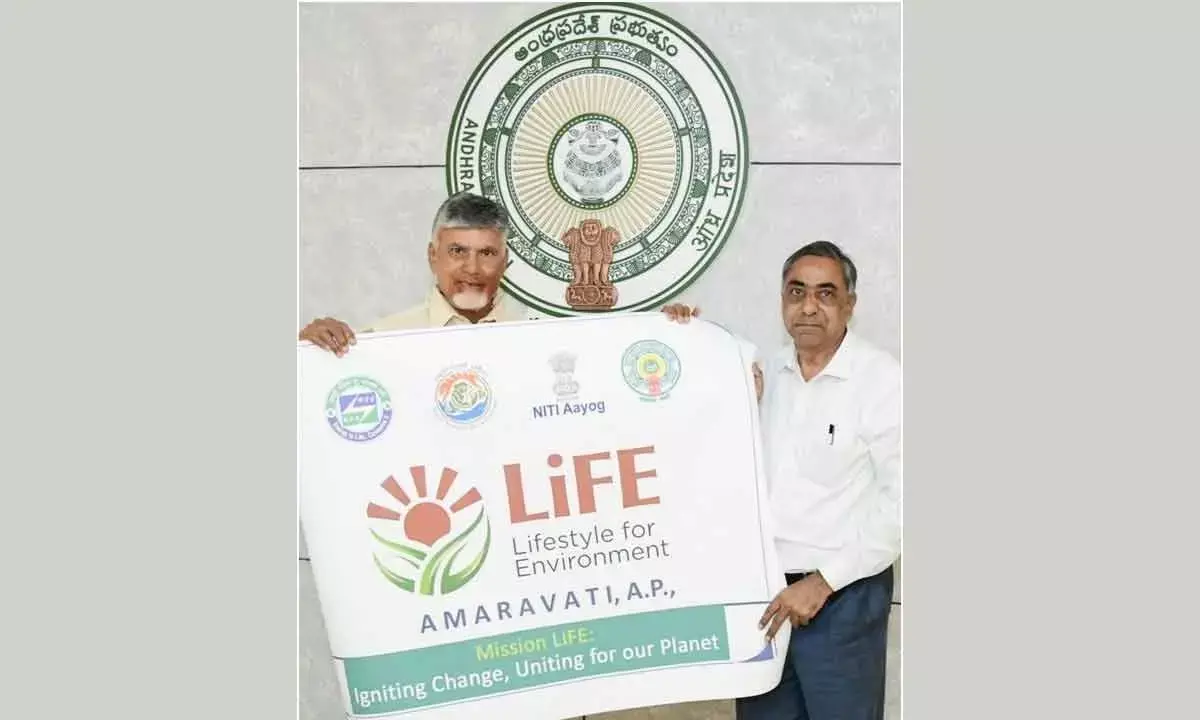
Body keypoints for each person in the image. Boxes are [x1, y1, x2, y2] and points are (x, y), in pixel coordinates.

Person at [738, 241, 901, 720]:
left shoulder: (882, 381)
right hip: (766, 598)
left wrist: (824, 582)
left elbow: (904, 500)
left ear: (850, 304)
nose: (808, 306)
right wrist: (679, 331)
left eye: (826, 294)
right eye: (797, 291)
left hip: (842, 598)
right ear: (783, 301)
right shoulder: (763, 376)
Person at [299, 192, 699, 351]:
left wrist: (674, 340)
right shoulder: (378, 343)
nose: (472, 269)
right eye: (457, 251)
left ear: (506, 263)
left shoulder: (547, 339)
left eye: (487, 253)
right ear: (431, 256)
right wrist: (306, 354)